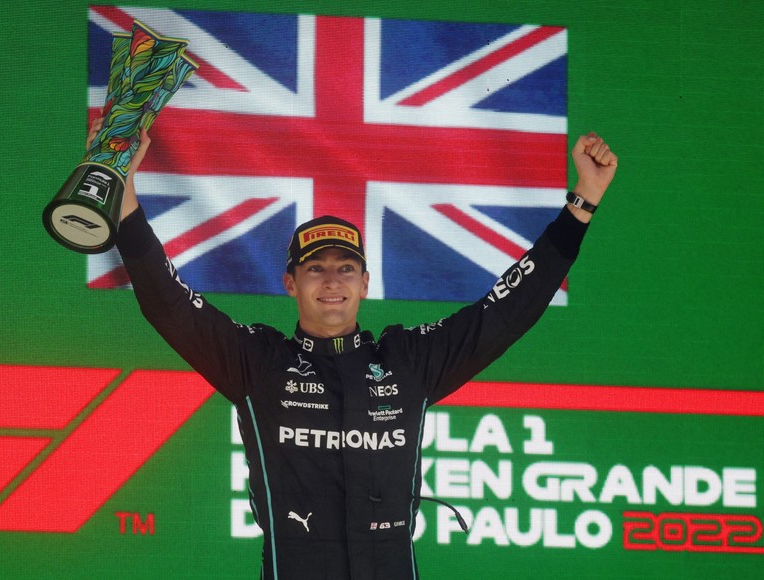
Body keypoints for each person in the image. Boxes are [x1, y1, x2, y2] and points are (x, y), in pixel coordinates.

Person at [92, 118, 618, 579]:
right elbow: (168, 305)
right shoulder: (258, 364)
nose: (331, 280)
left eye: (346, 268)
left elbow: (507, 311)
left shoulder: (409, 362)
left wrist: (582, 203)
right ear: (290, 284)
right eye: (314, 268)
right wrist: (125, 194)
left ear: (365, 283)